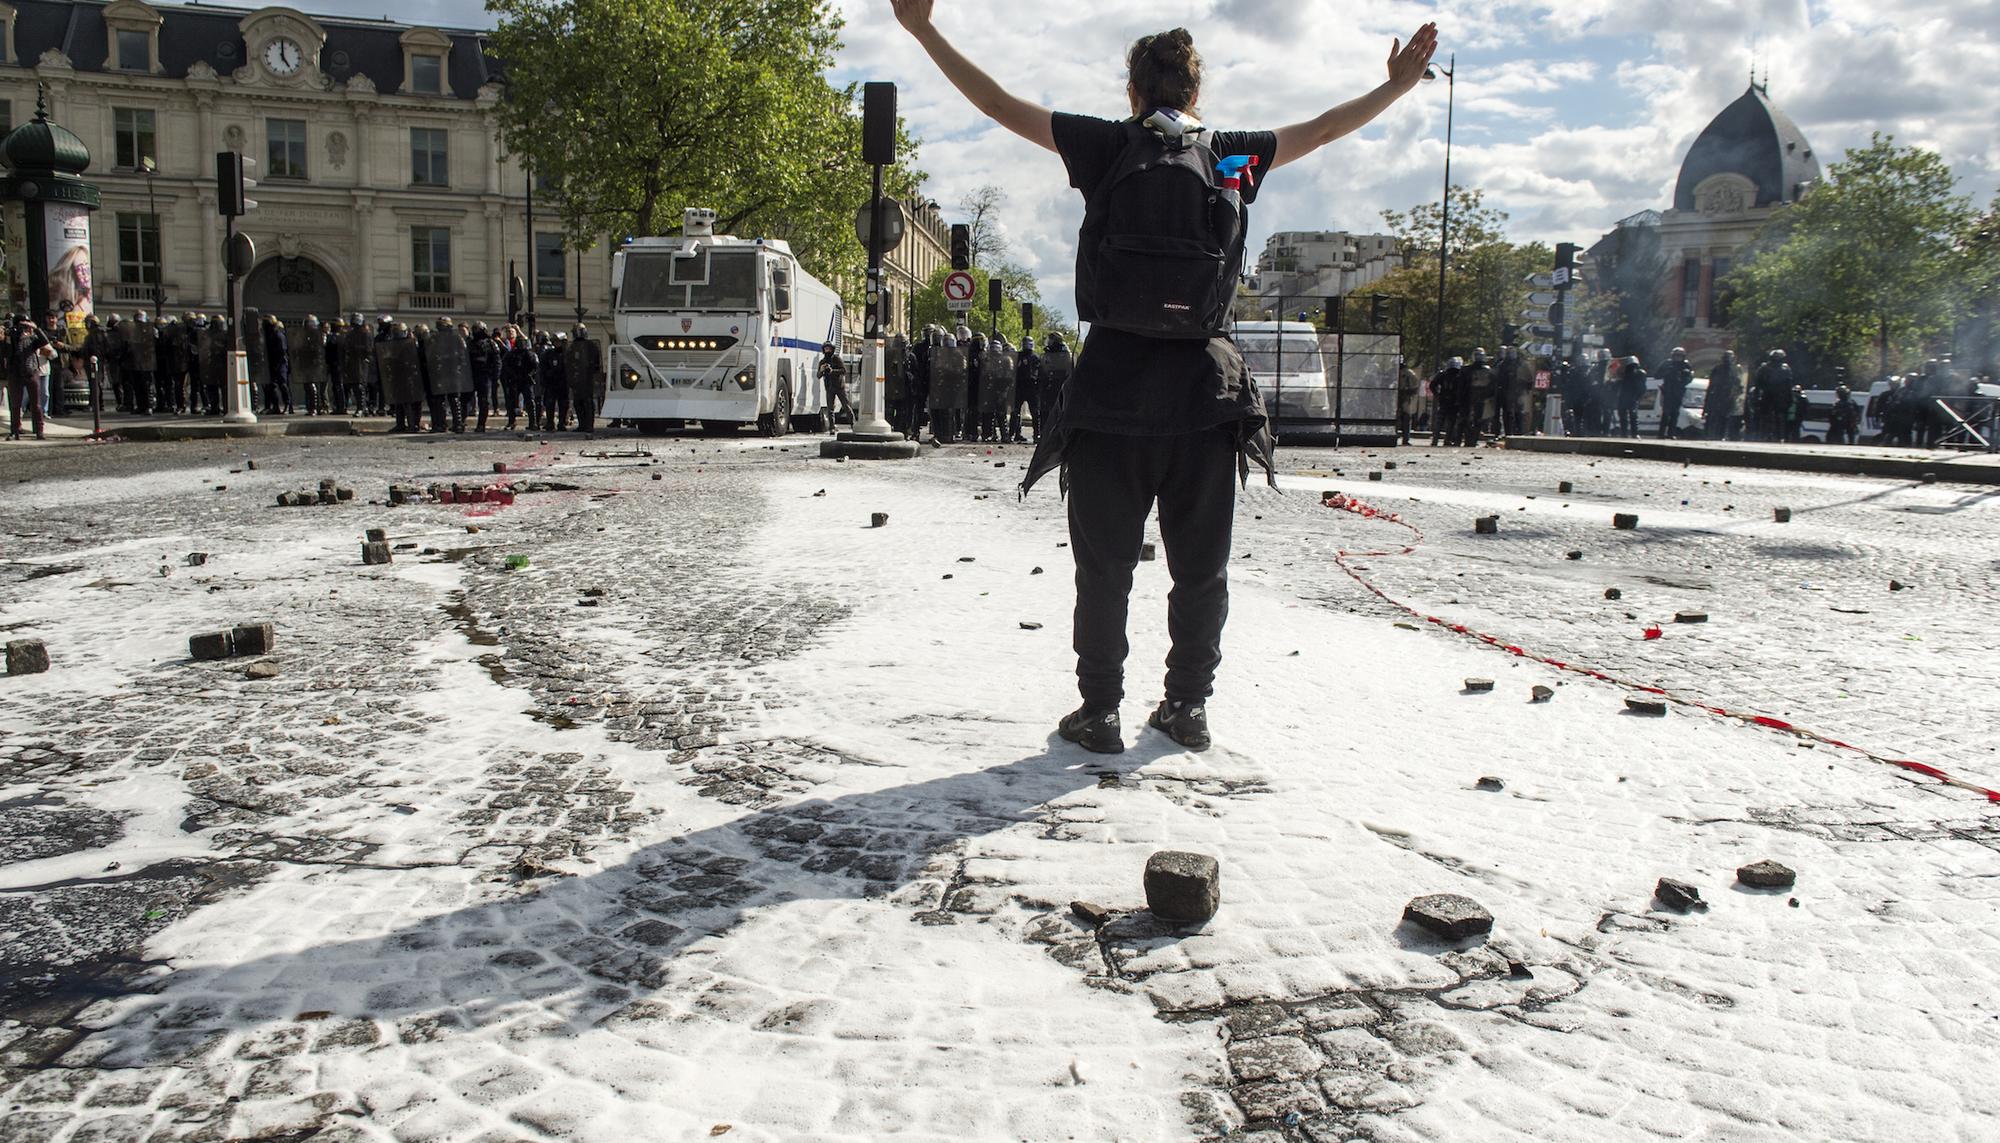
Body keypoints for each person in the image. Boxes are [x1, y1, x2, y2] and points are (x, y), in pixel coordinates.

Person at [899, 0, 1436, 752]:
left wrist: (923, 30)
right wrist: (1396, 89)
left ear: (1132, 92)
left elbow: (994, 103)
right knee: (1200, 571)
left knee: (1105, 569)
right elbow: (1321, 129)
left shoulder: (1103, 146)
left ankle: (1100, 711)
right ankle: (1187, 707)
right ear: (1195, 93)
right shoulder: (1230, 156)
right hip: (1205, 393)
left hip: (1113, 387)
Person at [7, 314, 53, 440]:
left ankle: (39, 430)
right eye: (22, 324)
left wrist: (36, 328)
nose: (24, 327)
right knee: (16, 404)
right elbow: (7, 349)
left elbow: (45, 341)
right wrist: (10, 332)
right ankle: (15, 430)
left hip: (31, 372)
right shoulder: (10, 337)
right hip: (15, 373)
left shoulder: (32, 338)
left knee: (36, 404)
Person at [565, 323, 602, 434]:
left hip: (587, 377)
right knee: (578, 402)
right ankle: (582, 424)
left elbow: (596, 363)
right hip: (577, 378)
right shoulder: (572, 346)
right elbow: (569, 362)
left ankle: (589, 425)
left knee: (588, 402)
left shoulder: (591, 345)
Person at [817, 342, 853, 431]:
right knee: (830, 409)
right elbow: (818, 376)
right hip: (829, 387)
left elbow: (844, 370)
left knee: (846, 406)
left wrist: (833, 371)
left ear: (832, 349)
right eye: (826, 349)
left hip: (839, 386)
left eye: (829, 349)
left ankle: (853, 423)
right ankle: (832, 427)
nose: (827, 350)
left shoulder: (837, 359)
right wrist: (821, 370)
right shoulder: (822, 362)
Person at [1658, 346, 1692, 439]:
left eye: (1680, 356)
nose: (1678, 358)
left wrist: (1685, 375)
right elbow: (1657, 375)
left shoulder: (1685, 365)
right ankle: (1661, 433)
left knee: (1675, 414)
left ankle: (1671, 433)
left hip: (1678, 392)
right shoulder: (1667, 363)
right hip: (1668, 391)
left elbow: (1689, 379)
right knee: (1666, 413)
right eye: (1676, 355)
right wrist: (1667, 371)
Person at [1707, 351, 1741, 440]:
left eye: (1730, 358)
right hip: (1718, 395)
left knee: (1728, 416)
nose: (1728, 360)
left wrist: (1736, 393)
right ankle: (1715, 434)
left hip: (1730, 396)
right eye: (1726, 358)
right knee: (1717, 416)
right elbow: (1712, 383)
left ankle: (1726, 435)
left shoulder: (1736, 369)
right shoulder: (1717, 369)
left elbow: (1738, 383)